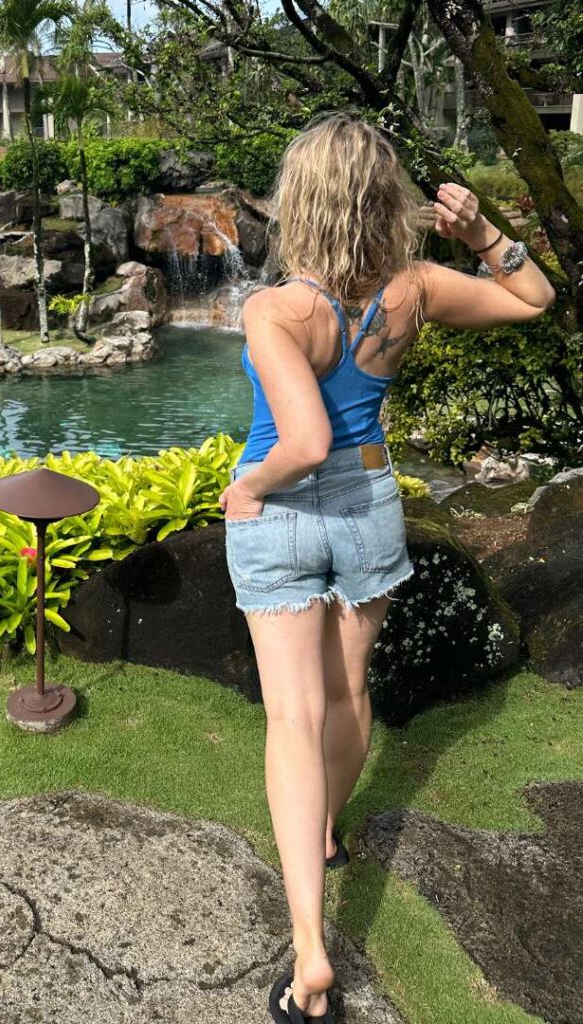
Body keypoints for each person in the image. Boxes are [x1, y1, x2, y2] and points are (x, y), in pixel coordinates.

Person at [218, 111, 556, 1024]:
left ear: (301, 203)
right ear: (384, 201)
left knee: (292, 715)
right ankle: (327, 831)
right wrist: (483, 232)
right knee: (349, 695)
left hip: (283, 513)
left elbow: (303, 438)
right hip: (369, 506)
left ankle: (312, 956)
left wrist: (248, 488)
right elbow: (536, 301)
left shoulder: (272, 309)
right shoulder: (415, 288)